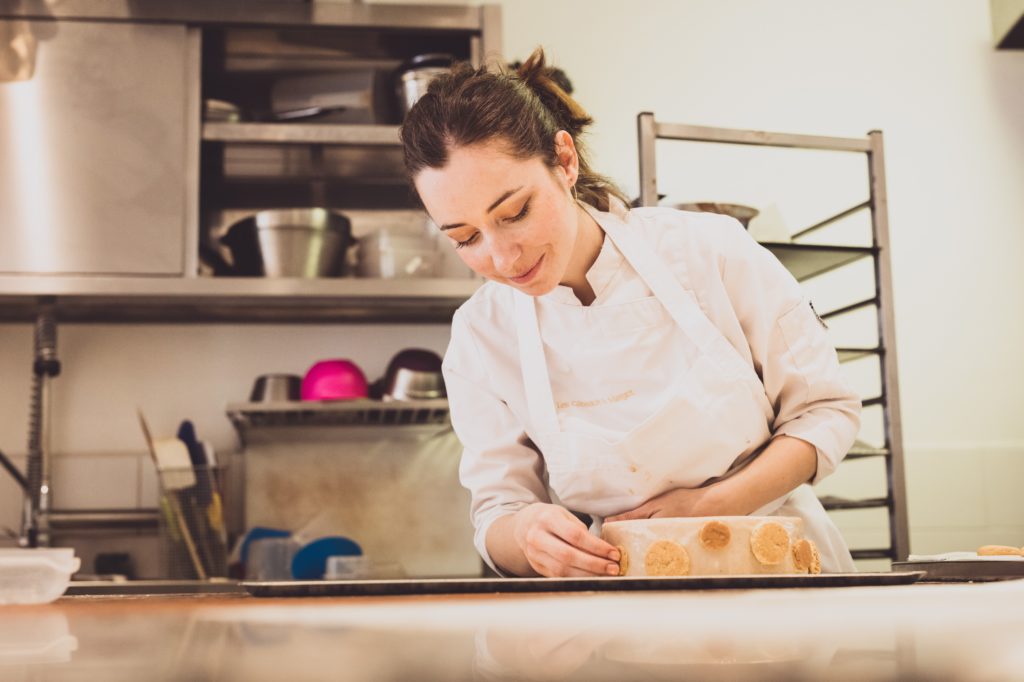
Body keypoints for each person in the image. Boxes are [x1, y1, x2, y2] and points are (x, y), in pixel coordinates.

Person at [400, 47, 862, 578]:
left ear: (565, 161)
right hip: (623, 602)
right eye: (465, 238)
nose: (502, 258)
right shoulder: (482, 336)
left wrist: (713, 508)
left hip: (779, 572)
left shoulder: (708, 251)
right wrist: (528, 536)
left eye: (515, 212)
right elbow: (498, 511)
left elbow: (825, 411)